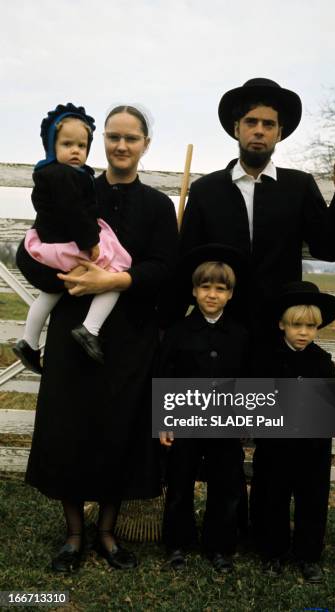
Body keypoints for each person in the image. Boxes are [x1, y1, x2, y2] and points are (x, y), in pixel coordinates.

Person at [15, 104, 178, 572]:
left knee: (117, 432)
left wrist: (115, 282)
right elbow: (36, 250)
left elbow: (165, 268)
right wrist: (61, 274)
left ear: (146, 143)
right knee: (69, 429)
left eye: (131, 137)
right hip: (72, 329)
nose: (121, 145)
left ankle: (107, 532)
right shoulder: (73, 185)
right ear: (100, 141)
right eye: (112, 137)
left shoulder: (158, 205)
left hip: (129, 336)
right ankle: (73, 534)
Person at [179, 78, 335, 337]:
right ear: (236, 128)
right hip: (219, 325)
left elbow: (329, 248)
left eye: (268, 124)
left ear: (279, 133)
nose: (259, 131)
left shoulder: (299, 186)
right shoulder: (205, 190)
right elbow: (187, 261)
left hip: (277, 324)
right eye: (251, 122)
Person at [13, 103, 133, 370]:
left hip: (56, 243)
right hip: (72, 243)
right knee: (116, 270)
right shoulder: (62, 175)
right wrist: (90, 241)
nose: (76, 150)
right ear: (52, 146)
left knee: (50, 293)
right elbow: (74, 213)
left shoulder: (58, 174)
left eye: (81, 145)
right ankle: (90, 328)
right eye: (67, 144)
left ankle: (28, 342)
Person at [158, 245, 249, 573]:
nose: (212, 295)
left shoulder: (240, 335)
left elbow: (246, 379)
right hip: (184, 420)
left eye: (220, 289)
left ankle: (220, 546)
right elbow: (164, 375)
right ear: (195, 291)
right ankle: (177, 544)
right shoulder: (178, 332)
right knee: (180, 482)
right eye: (206, 287)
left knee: (225, 485)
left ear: (230, 294)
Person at [250, 281, 335, 582]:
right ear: (282, 324)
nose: (304, 333)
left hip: (312, 447)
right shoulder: (267, 359)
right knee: (272, 497)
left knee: (312, 500)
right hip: (276, 446)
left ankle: (308, 555)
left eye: (311, 327)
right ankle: (273, 552)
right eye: (297, 325)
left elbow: (332, 406)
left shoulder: (322, 362)